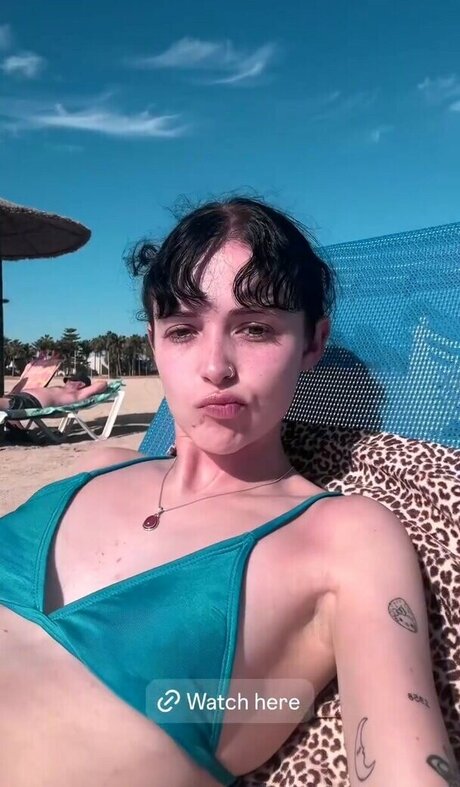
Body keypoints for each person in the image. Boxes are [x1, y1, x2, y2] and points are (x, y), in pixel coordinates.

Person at [0, 197, 456, 787]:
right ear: (154, 341)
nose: (215, 365)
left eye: (256, 328)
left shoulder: (344, 537)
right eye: (183, 330)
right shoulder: (99, 464)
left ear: (313, 343)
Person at [0, 371, 108, 412]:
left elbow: (102, 384)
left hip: (28, 402)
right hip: (18, 398)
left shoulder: (79, 394)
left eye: (71, 380)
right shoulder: (62, 389)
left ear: (80, 384)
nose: (67, 382)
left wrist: (88, 387)